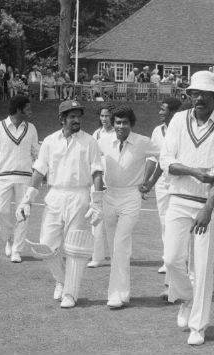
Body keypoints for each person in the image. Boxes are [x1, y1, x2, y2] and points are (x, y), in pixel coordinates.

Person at [160, 70, 214, 345]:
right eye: (194, 93)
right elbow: (165, 161)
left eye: (205, 94)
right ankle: (186, 297)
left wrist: (208, 207)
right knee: (171, 260)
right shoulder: (179, 120)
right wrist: (194, 171)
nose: (199, 98)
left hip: (208, 205)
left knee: (203, 266)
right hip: (179, 199)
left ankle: (198, 325)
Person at [16, 100, 103, 309]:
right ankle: (62, 280)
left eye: (78, 116)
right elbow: (39, 171)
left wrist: (97, 202)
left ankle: (70, 294)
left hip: (80, 195)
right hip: (55, 194)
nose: (76, 120)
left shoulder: (89, 141)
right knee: (46, 244)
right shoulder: (49, 141)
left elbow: (97, 172)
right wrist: (26, 199)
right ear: (62, 119)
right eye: (71, 116)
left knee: (74, 248)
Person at [97, 105, 160, 309]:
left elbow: (165, 159)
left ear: (131, 124)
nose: (121, 126)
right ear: (112, 123)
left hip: (131, 196)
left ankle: (116, 294)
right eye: (117, 122)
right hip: (109, 195)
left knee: (120, 243)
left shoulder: (142, 142)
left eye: (125, 123)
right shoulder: (103, 141)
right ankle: (123, 292)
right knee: (116, 247)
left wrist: (149, 183)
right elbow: (91, 163)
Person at [0, 95, 40, 263]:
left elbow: (37, 153)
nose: (30, 111)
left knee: (23, 214)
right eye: (27, 108)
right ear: (18, 109)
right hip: (4, 177)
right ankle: (9, 238)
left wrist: (43, 169)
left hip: (25, 178)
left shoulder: (31, 128)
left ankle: (17, 250)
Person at [148, 98, 182, 284]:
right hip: (161, 183)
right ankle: (168, 259)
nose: (160, 112)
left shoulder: (183, 130)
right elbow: (155, 159)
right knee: (164, 222)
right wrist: (147, 181)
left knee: (179, 222)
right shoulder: (157, 131)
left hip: (179, 182)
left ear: (174, 112)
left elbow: (168, 160)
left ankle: (180, 260)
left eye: (164, 109)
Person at [88, 104, 116, 268]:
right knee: (96, 220)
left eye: (107, 116)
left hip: (113, 182)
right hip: (97, 181)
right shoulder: (96, 134)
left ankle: (115, 256)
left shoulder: (118, 132)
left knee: (112, 221)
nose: (104, 119)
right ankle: (97, 257)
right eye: (102, 116)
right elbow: (93, 158)